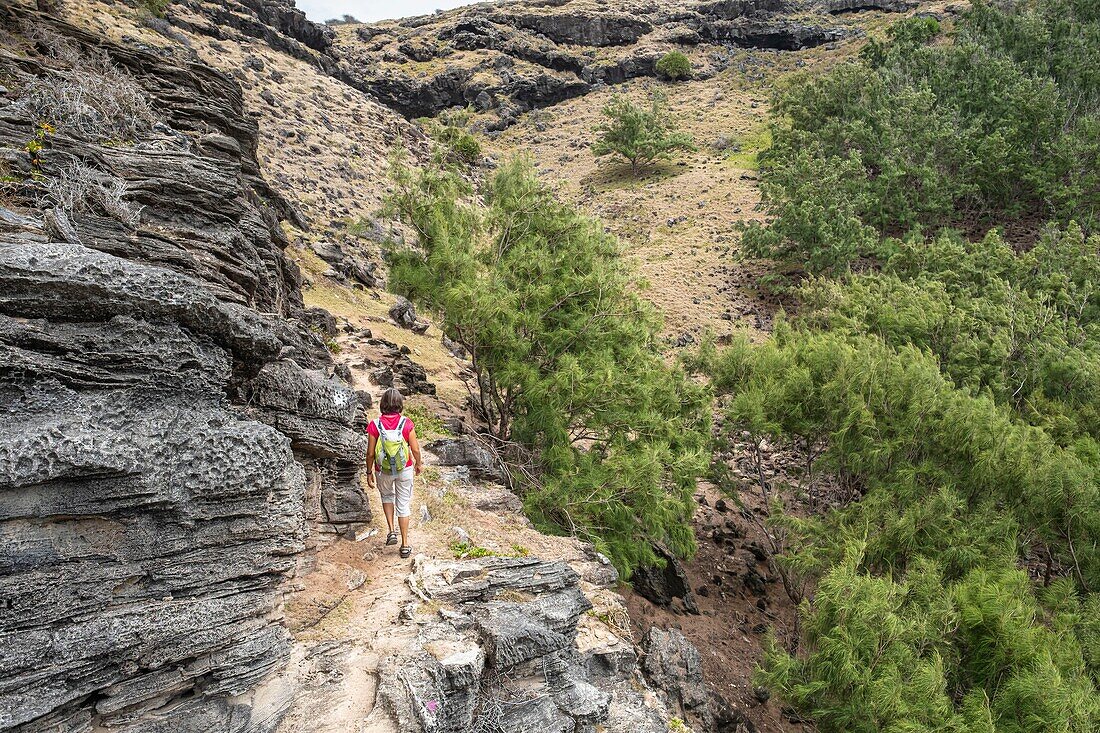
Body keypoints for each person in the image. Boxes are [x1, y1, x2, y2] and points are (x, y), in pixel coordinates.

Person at [365, 388, 423, 558]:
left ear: (382, 404)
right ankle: (405, 545)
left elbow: (370, 453)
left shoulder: (374, 425)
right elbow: (415, 449)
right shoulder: (406, 423)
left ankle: (391, 531)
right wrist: (418, 464)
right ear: (399, 404)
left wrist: (369, 472)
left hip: (382, 470)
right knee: (403, 505)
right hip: (404, 468)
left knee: (387, 497)